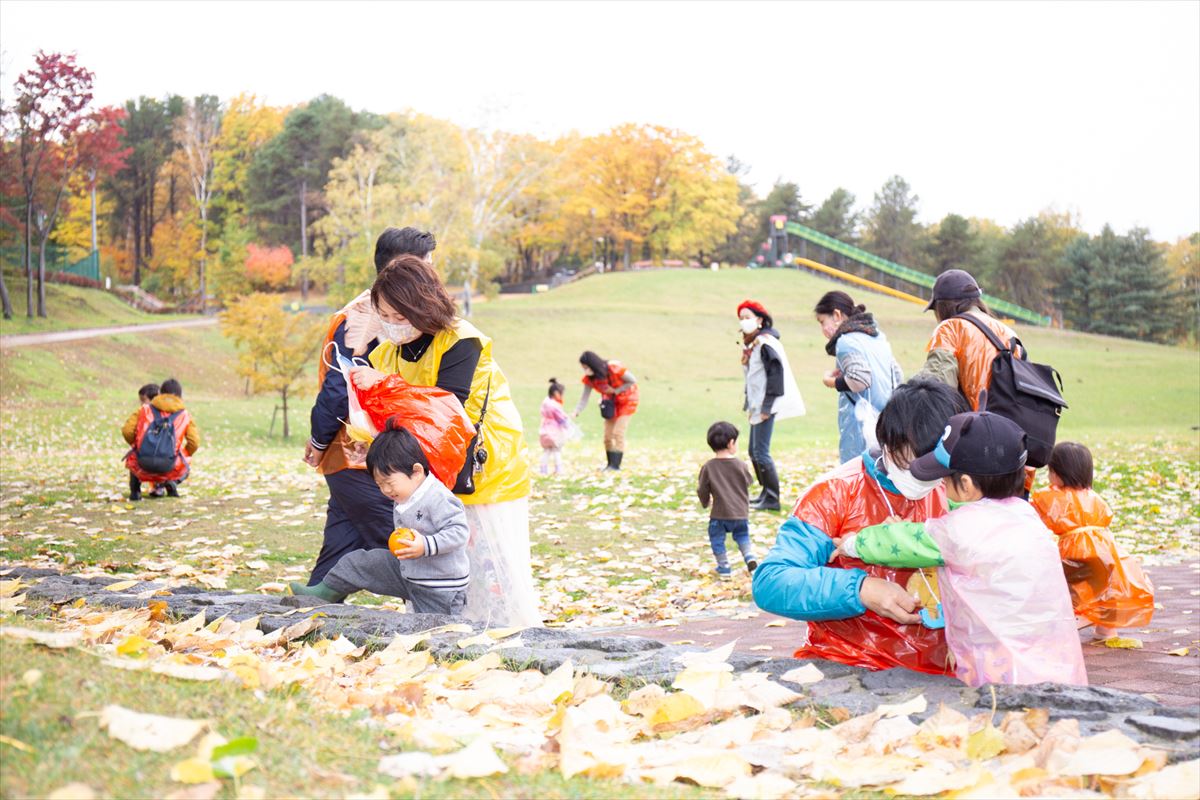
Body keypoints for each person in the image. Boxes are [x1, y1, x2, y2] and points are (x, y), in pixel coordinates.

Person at [349, 255, 538, 627]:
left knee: (488, 563)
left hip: (483, 467)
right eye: (384, 316)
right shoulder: (385, 353)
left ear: (423, 306)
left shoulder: (461, 341)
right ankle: (443, 630)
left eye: (400, 316)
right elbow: (386, 415)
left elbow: (446, 409)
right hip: (426, 473)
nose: (392, 325)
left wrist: (384, 386)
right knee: (433, 559)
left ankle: (508, 634)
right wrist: (365, 433)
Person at [834, 412, 1087, 687]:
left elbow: (904, 542)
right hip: (1054, 661)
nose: (941, 486)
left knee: (998, 708)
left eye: (945, 479)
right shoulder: (1026, 516)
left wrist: (853, 543)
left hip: (1004, 670)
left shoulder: (961, 530)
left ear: (966, 485)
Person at [751, 379, 966, 674]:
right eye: (914, 465)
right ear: (889, 442)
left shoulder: (956, 487)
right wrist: (860, 589)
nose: (928, 479)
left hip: (946, 669)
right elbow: (772, 582)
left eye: (937, 469)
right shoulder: (836, 492)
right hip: (850, 663)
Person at [303, 227, 437, 585]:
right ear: (397, 268)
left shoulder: (398, 312)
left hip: (356, 458)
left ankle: (309, 606)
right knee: (409, 547)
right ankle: (444, 608)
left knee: (338, 553)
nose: (432, 274)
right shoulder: (368, 315)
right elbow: (341, 386)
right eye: (425, 265)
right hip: (363, 457)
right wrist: (319, 440)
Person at [290, 423, 469, 615]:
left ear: (416, 472)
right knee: (361, 562)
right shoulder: (406, 491)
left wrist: (424, 545)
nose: (385, 490)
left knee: (433, 629)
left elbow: (459, 532)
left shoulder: (438, 497)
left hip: (439, 587)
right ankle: (324, 592)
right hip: (407, 573)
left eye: (389, 483)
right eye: (379, 484)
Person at [1032, 442, 1155, 639]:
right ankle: (1106, 629)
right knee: (1106, 589)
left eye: (1050, 471)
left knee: (1068, 588)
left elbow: (1035, 516)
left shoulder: (1051, 497)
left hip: (1074, 551)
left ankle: (1078, 618)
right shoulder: (1093, 496)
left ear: (1057, 473)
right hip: (1104, 549)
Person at [813, 292, 904, 464]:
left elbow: (860, 380)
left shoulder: (846, 342)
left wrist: (831, 382)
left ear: (837, 315)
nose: (822, 329)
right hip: (886, 420)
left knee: (857, 471)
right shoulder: (877, 337)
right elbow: (897, 374)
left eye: (822, 322)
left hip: (861, 426)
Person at [915, 269, 1020, 413]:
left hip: (976, 421)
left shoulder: (950, 328)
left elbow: (938, 385)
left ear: (943, 306)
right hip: (1012, 422)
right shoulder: (1007, 332)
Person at [737, 300, 805, 511]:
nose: (743, 321)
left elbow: (776, 375)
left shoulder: (766, 343)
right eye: (741, 318)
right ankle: (765, 493)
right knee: (753, 451)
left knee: (761, 452)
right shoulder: (753, 343)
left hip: (767, 404)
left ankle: (772, 498)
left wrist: (767, 407)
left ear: (759, 319)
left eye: (747, 317)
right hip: (757, 404)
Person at [122, 378, 201, 501]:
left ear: (160, 393)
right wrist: (179, 454)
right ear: (180, 396)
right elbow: (194, 443)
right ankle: (172, 482)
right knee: (186, 461)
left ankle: (135, 490)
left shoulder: (144, 409)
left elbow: (127, 431)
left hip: (142, 463)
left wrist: (138, 445)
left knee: (134, 455)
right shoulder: (185, 415)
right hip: (169, 465)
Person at [697, 421, 758, 579]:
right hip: (740, 513)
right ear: (731, 443)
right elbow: (748, 482)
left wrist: (705, 502)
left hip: (719, 514)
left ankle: (724, 567)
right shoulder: (741, 465)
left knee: (717, 538)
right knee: (742, 536)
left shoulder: (708, 467)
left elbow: (702, 489)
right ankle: (749, 557)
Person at [573, 351, 638, 471]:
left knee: (618, 433)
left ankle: (616, 466)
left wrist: (616, 391)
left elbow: (632, 380)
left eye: (586, 367)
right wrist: (577, 411)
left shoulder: (613, 368)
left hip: (627, 401)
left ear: (593, 364)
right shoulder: (589, 379)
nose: (585, 371)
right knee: (608, 436)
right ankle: (610, 465)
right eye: (584, 368)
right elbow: (584, 398)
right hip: (610, 404)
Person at [539, 378, 570, 475]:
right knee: (557, 450)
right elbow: (561, 418)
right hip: (554, 432)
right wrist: (567, 425)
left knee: (546, 451)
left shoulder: (545, 402)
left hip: (544, 430)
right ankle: (559, 469)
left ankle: (543, 470)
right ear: (556, 393)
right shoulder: (554, 405)